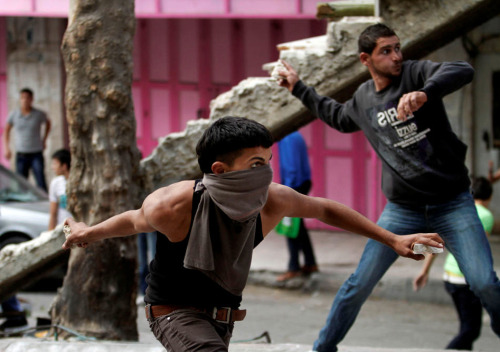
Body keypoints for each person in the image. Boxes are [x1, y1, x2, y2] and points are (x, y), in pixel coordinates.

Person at [62, 116, 443, 352]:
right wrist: (87, 232)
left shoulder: (272, 200)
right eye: (256, 164)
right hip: (173, 311)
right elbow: (132, 220)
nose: (267, 174)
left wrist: (392, 238)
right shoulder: (175, 204)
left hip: (224, 317)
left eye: (269, 163)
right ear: (221, 170)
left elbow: (325, 209)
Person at [275, 23, 500, 351]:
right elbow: (336, 116)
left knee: (484, 282)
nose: (397, 56)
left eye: (398, 48)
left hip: (451, 204)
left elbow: (461, 69)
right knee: (358, 284)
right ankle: (323, 347)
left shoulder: (415, 73)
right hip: (403, 211)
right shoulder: (364, 99)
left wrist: (426, 92)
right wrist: (297, 87)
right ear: (366, 59)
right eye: (386, 51)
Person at [414, 176, 494, 350]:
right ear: (490, 196)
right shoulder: (486, 216)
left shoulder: (456, 212)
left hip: (449, 277)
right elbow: (479, 249)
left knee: (467, 327)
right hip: (466, 280)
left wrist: (424, 271)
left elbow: (438, 244)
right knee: (471, 330)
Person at [276, 131, 319, 281]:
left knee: (290, 227)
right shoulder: (295, 135)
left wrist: (285, 191)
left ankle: (293, 267)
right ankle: (310, 262)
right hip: (302, 182)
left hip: (294, 185)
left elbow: (292, 168)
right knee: (299, 226)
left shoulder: (287, 137)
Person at [3, 88, 51, 192]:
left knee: (41, 181)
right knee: (20, 184)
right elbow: (6, 131)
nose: (25, 100)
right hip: (21, 154)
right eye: (22, 98)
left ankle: (46, 204)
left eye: (27, 98)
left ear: (31, 99)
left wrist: (44, 140)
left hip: (36, 153)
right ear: (20, 99)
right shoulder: (14, 114)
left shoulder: (38, 114)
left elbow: (48, 123)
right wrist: (6, 148)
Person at [48, 149, 71, 230]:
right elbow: (53, 213)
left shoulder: (79, 183)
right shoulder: (55, 183)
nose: (52, 167)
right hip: (62, 229)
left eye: (55, 163)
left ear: (64, 166)